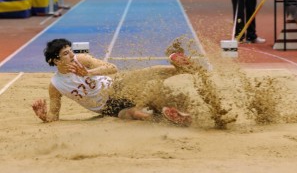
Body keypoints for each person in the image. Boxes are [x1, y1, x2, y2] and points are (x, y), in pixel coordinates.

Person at [32, 39, 193, 126]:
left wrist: (89, 72)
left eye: (71, 51)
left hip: (116, 87)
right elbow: (54, 116)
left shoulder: (82, 59)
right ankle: (171, 116)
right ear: (55, 60)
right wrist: (44, 116)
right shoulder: (55, 85)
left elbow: (112, 68)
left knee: (144, 75)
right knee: (137, 115)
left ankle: (181, 68)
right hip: (108, 108)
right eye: (66, 54)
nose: (72, 55)